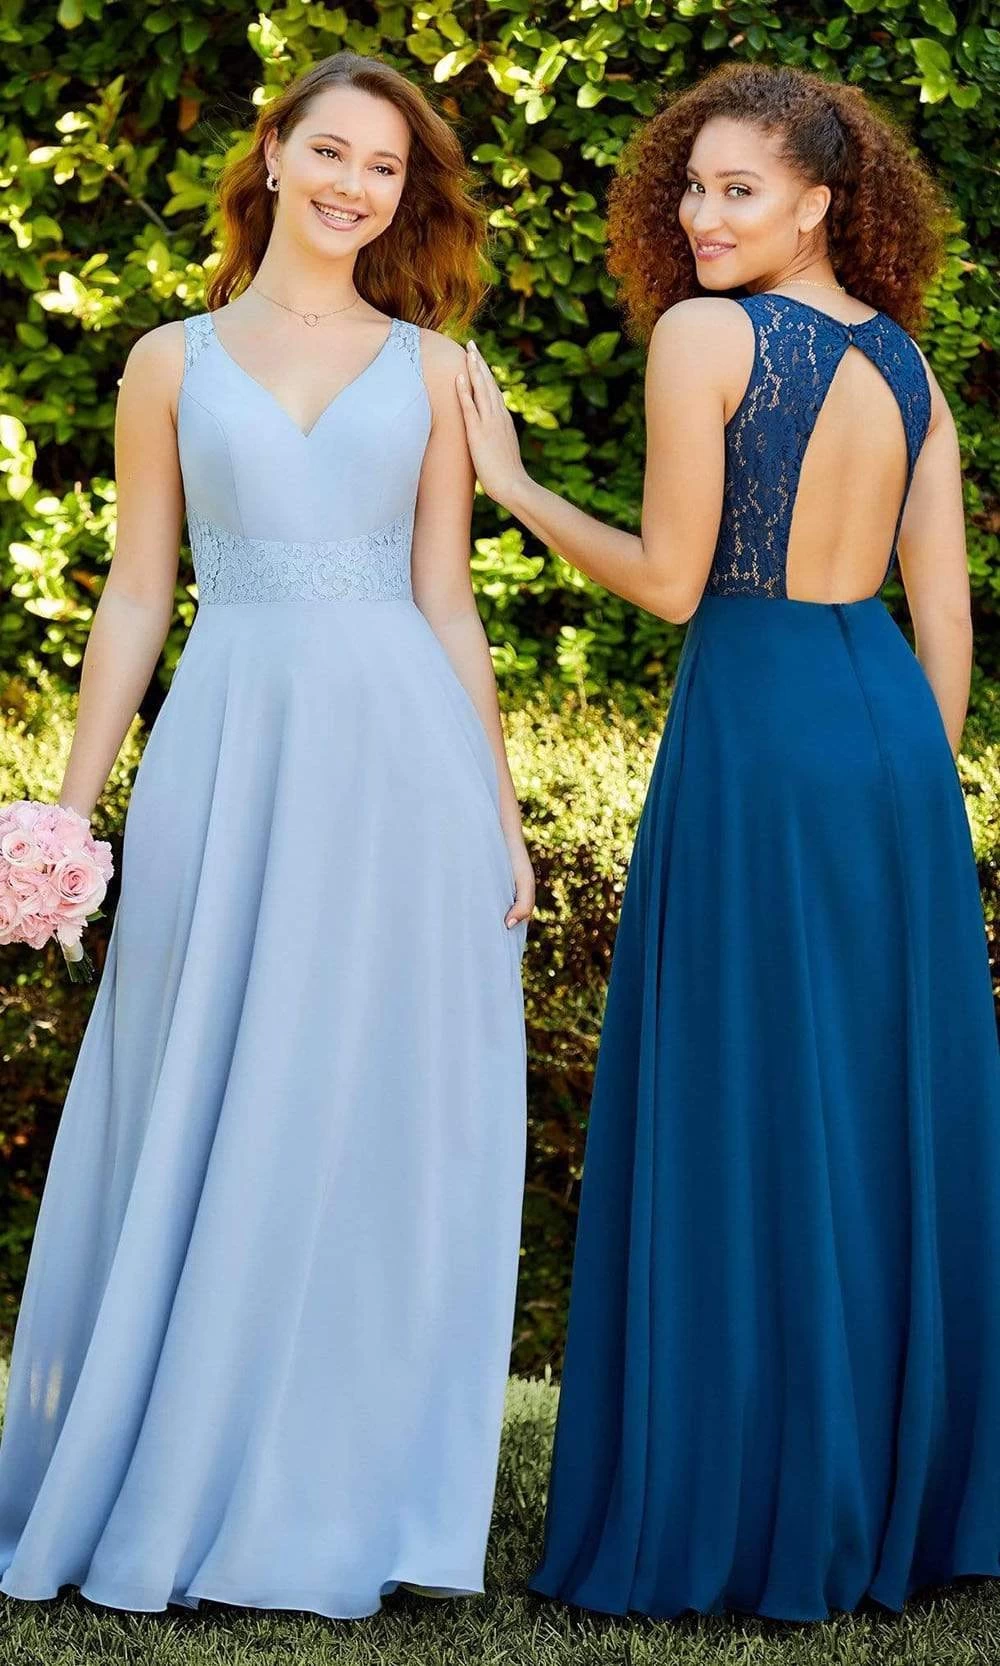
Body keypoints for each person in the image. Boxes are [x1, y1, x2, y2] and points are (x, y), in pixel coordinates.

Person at [457, 62, 1000, 1622]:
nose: (702, 215)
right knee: (874, 1109)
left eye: (739, 189)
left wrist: (513, 485)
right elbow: (944, 612)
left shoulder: (704, 337)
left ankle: (750, 1499)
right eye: (693, 186)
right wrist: (914, 787)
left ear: (820, 202)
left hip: (758, 732)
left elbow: (672, 580)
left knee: (744, 1095)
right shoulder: (904, 359)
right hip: (890, 743)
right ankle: (897, 1502)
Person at [0, 50, 532, 1621]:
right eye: (333, 150)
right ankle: (174, 1462)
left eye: (385, 166)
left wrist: (500, 814)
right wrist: (71, 806)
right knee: (198, 1079)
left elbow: (448, 601)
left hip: (400, 759)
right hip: (226, 742)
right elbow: (136, 592)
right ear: (277, 153)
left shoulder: (435, 370)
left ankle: (336, 1488)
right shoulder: (167, 360)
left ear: (404, 195)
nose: (355, 183)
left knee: (362, 1105)